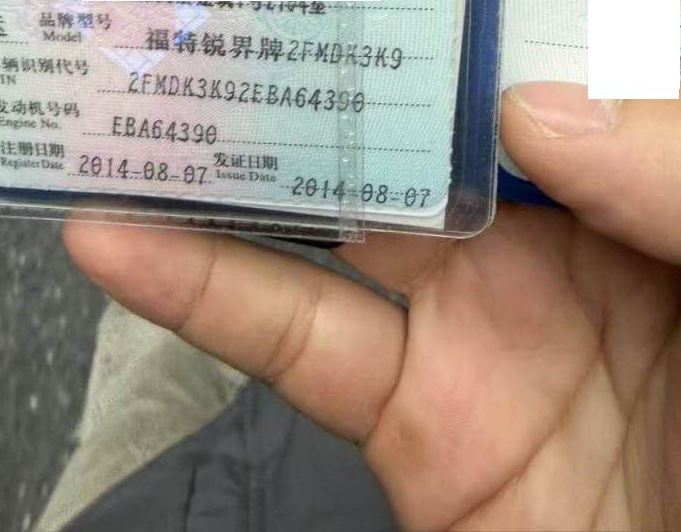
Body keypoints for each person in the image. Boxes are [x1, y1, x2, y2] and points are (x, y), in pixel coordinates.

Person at [57, 82, 681, 531]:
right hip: (399, 417)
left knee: (153, 361)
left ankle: (161, 305)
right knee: (168, 308)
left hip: (160, 497)